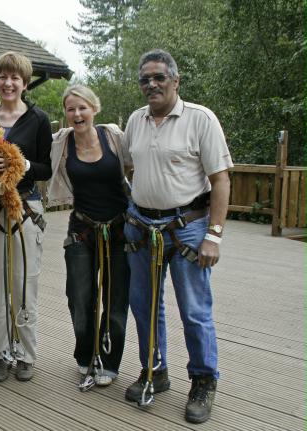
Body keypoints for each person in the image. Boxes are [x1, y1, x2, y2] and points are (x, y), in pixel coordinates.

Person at [121, 49, 233, 423]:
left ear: (175, 81)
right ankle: (155, 370)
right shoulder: (135, 121)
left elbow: (221, 180)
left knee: (194, 310)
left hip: (188, 229)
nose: (151, 84)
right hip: (141, 228)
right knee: (145, 306)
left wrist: (214, 235)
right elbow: (128, 164)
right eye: (145, 79)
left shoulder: (200, 119)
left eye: (159, 77)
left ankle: (203, 380)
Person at [0, 51, 52, 382]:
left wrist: (21, 165)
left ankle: (26, 353)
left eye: (15, 77)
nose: (8, 82)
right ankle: (0, 354)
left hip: (25, 208)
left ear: (24, 83)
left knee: (23, 284)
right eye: (3, 76)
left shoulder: (38, 119)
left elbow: (45, 166)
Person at [47, 85, 130, 388]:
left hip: (119, 230)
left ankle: (109, 361)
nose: (77, 114)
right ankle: (85, 355)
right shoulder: (61, 143)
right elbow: (33, 159)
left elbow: (143, 162)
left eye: (82, 108)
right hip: (81, 229)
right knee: (80, 297)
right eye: (71, 109)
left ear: (94, 108)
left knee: (116, 299)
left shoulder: (114, 138)